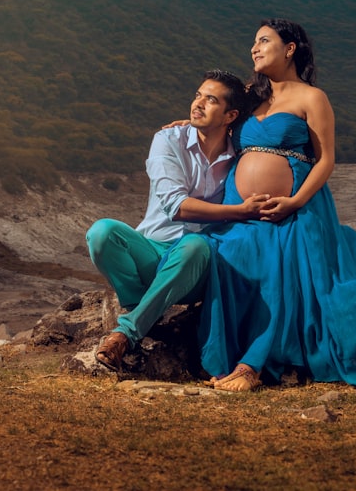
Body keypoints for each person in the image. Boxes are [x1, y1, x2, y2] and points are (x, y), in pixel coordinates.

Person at [197, 19, 356, 392]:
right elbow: (218, 115)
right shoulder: (253, 98)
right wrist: (190, 125)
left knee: (278, 263)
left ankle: (252, 364)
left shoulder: (311, 98)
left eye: (264, 40)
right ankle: (228, 355)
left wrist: (294, 202)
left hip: (296, 209)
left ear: (290, 49)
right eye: (253, 41)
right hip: (243, 209)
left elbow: (326, 160)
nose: (254, 48)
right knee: (228, 257)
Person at [86, 69, 271, 371]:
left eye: (210, 100)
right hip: (152, 250)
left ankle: (125, 333)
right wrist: (241, 211)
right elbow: (177, 207)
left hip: (197, 266)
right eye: (197, 95)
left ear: (230, 115)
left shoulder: (240, 154)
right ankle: (142, 308)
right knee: (101, 232)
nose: (197, 104)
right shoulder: (167, 139)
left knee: (195, 245)